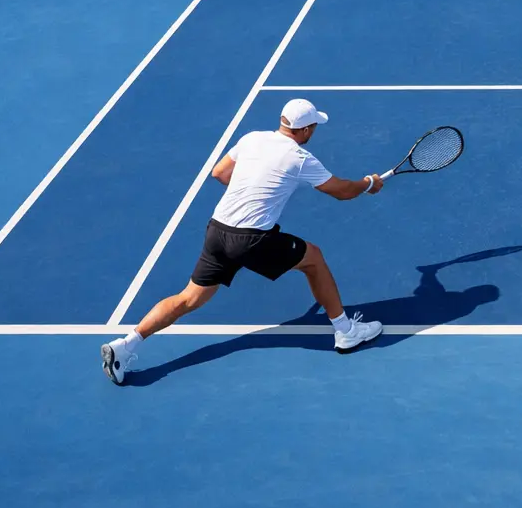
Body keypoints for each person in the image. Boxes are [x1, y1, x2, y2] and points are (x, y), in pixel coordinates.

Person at [102, 99, 388, 385]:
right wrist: (369, 183)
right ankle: (345, 331)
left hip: (218, 230)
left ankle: (126, 345)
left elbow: (220, 173)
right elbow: (342, 191)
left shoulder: (252, 139)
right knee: (313, 259)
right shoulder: (299, 158)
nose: (314, 132)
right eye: (313, 127)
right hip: (252, 239)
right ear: (305, 130)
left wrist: (252, 188)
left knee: (188, 298)